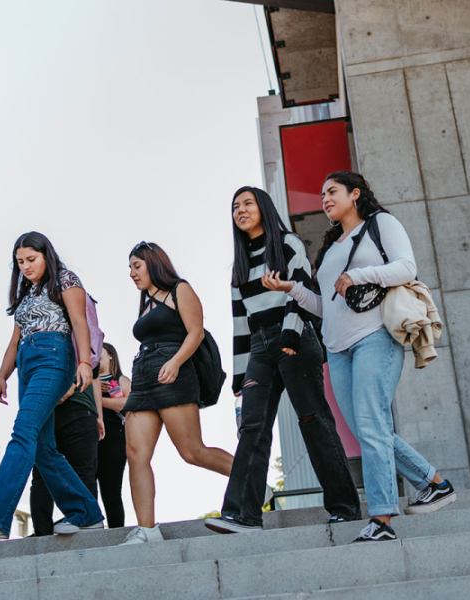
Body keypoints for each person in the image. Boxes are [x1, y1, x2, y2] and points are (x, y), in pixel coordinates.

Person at [264, 172, 457, 543]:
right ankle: (434, 482)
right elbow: (326, 306)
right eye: (321, 194)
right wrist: (293, 289)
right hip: (338, 349)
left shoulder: (380, 224)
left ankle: (382, 520)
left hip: (375, 337)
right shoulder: (332, 246)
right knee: (369, 430)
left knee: (371, 426)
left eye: (332, 191)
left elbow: (406, 267)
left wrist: (359, 274)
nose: (324, 198)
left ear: (355, 194)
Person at [204, 186, 360, 535]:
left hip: (295, 337)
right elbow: (240, 323)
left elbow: (301, 290)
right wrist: (240, 376)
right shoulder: (239, 267)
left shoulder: (288, 244)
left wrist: (290, 333)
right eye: (235, 207)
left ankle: (344, 508)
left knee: (313, 420)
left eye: (247, 204)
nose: (240, 210)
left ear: (263, 207)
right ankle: (242, 515)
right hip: (259, 347)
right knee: (252, 427)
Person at [0, 232, 104, 540]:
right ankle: (86, 513)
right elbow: (14, 341)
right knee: (41, 446)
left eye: (31, 259)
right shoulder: (27, 295)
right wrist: (2, 375)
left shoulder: (65, 279)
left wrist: (84, 363)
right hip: (27, 362)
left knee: (23, 432)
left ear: (46, 255)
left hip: (55, 355)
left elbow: (79, 322)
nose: (25, 266)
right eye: (20, 262)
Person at [120, 241, 234, 545]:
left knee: (191, 452)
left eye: (136, 266)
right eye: (129, 267)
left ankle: (248, 480)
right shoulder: (145, 302)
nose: (131, 273)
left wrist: (175, 362)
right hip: (144, 374)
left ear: (153, 263)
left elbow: (196, 331)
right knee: (135, 453)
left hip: (175, 371)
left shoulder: (179, 289)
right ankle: (147, 530)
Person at [29, 364, 105, 536]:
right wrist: (98, 415)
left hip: (47, 407)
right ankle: (87, 527)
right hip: (76, 408)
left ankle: (42, 533)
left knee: (42, 474)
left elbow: (94, 378)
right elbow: (93, 375)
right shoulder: (85, 339)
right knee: (83, 471)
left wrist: (98, 415)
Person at [96, 342, 130, 528]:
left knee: (111, 492)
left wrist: (97, 398)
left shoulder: (121, 379)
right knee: (87, 488)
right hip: (89, 438)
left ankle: (117, 534)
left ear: (110, 354)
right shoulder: (87, 378)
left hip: (115, 438)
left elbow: (128, 403)